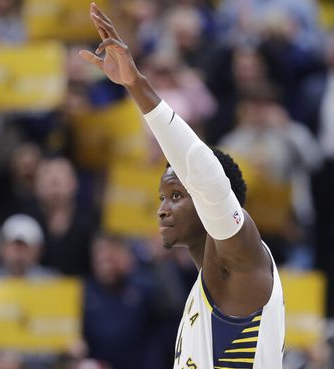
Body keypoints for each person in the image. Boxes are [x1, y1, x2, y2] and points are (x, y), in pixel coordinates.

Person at [79, 3, 285, 368]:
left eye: (176, 196)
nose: (161, 208)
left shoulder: (242, 260)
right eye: (163, 197)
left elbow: (203, 169)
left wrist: (136, 85)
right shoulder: (204, 288)